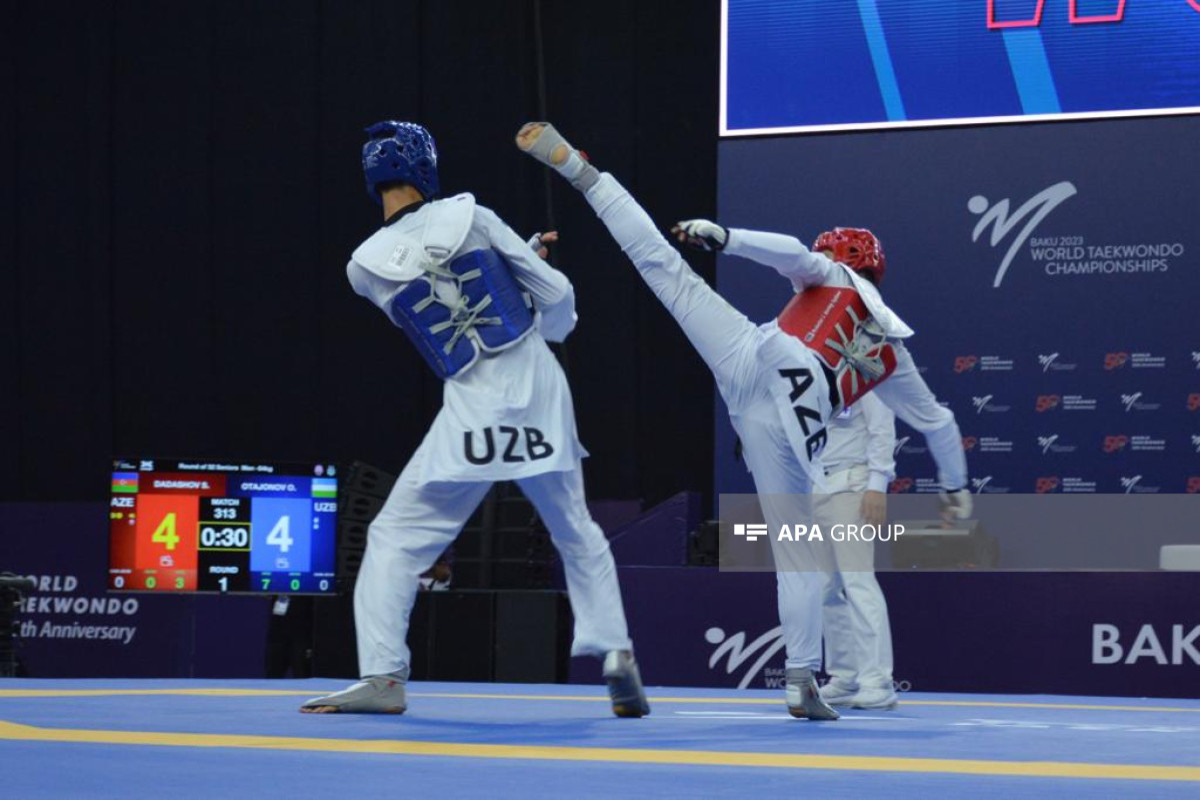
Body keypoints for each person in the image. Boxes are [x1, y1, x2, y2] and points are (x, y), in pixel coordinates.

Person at [516, 122, 970, 720]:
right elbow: (938, 422)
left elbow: (789, 252)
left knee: (663, 269)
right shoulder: (896, 355)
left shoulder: (831, 273)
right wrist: (956, 492)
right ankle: (802, 677)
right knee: (799, 556)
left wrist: (726, 239)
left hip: (756, 359)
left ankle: (585, 175)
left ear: (844, 258)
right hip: (783, 416)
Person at [301, 121, 648, 718]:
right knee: (574, 528)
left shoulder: (363, 268)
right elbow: (554, 292)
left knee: (393, 538)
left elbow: (442, 303)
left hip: (471, 405)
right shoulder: (475, 216)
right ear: (425, 167)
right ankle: (615, 651)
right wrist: (544, 316)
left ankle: (383, 676)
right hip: (538, 386)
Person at [814, 392, 899, 710]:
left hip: (852, 482)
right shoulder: (808, 367)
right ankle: (844, 677)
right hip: (815, 483)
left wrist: (877, 485)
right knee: (825, 588)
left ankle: (877, 681)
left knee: (857, 580)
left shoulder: (862, 367)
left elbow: (882, 425)